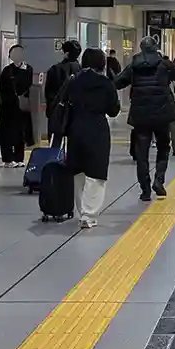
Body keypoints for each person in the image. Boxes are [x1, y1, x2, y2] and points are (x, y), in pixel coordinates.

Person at [115, 36, 175, 201]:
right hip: (161, 114)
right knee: (163, 148)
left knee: (142, 154)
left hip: (141, 116)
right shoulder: (164, 64)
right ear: (155, 47)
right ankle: (159, 180)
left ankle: (145, 190)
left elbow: (117, 82)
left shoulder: (134, 65)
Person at [63, 49, 121, 228]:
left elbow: (63, 102)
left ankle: (82, 211)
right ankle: (89, 215)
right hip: (97, 129)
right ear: (102, 63)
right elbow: (113, 110)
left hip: (76, 128)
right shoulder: (105, 83)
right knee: (96, 173)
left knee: (78, 171)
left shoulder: (73, 81)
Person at [0, 44, 34, 168]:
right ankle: (7, 158)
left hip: (21, 106)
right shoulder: (7, 70)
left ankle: (19, 158)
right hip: (8, 106)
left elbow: (27, 86)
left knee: (20, 133)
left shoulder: (28, 69)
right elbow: (2, 87)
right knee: (7, 133)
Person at [45, 40, 83, 141]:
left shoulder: (54, 70)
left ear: (65, 53)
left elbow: (49, 94)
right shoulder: (82, 71)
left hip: (58, 115)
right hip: (77, 117)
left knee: (56, 145)